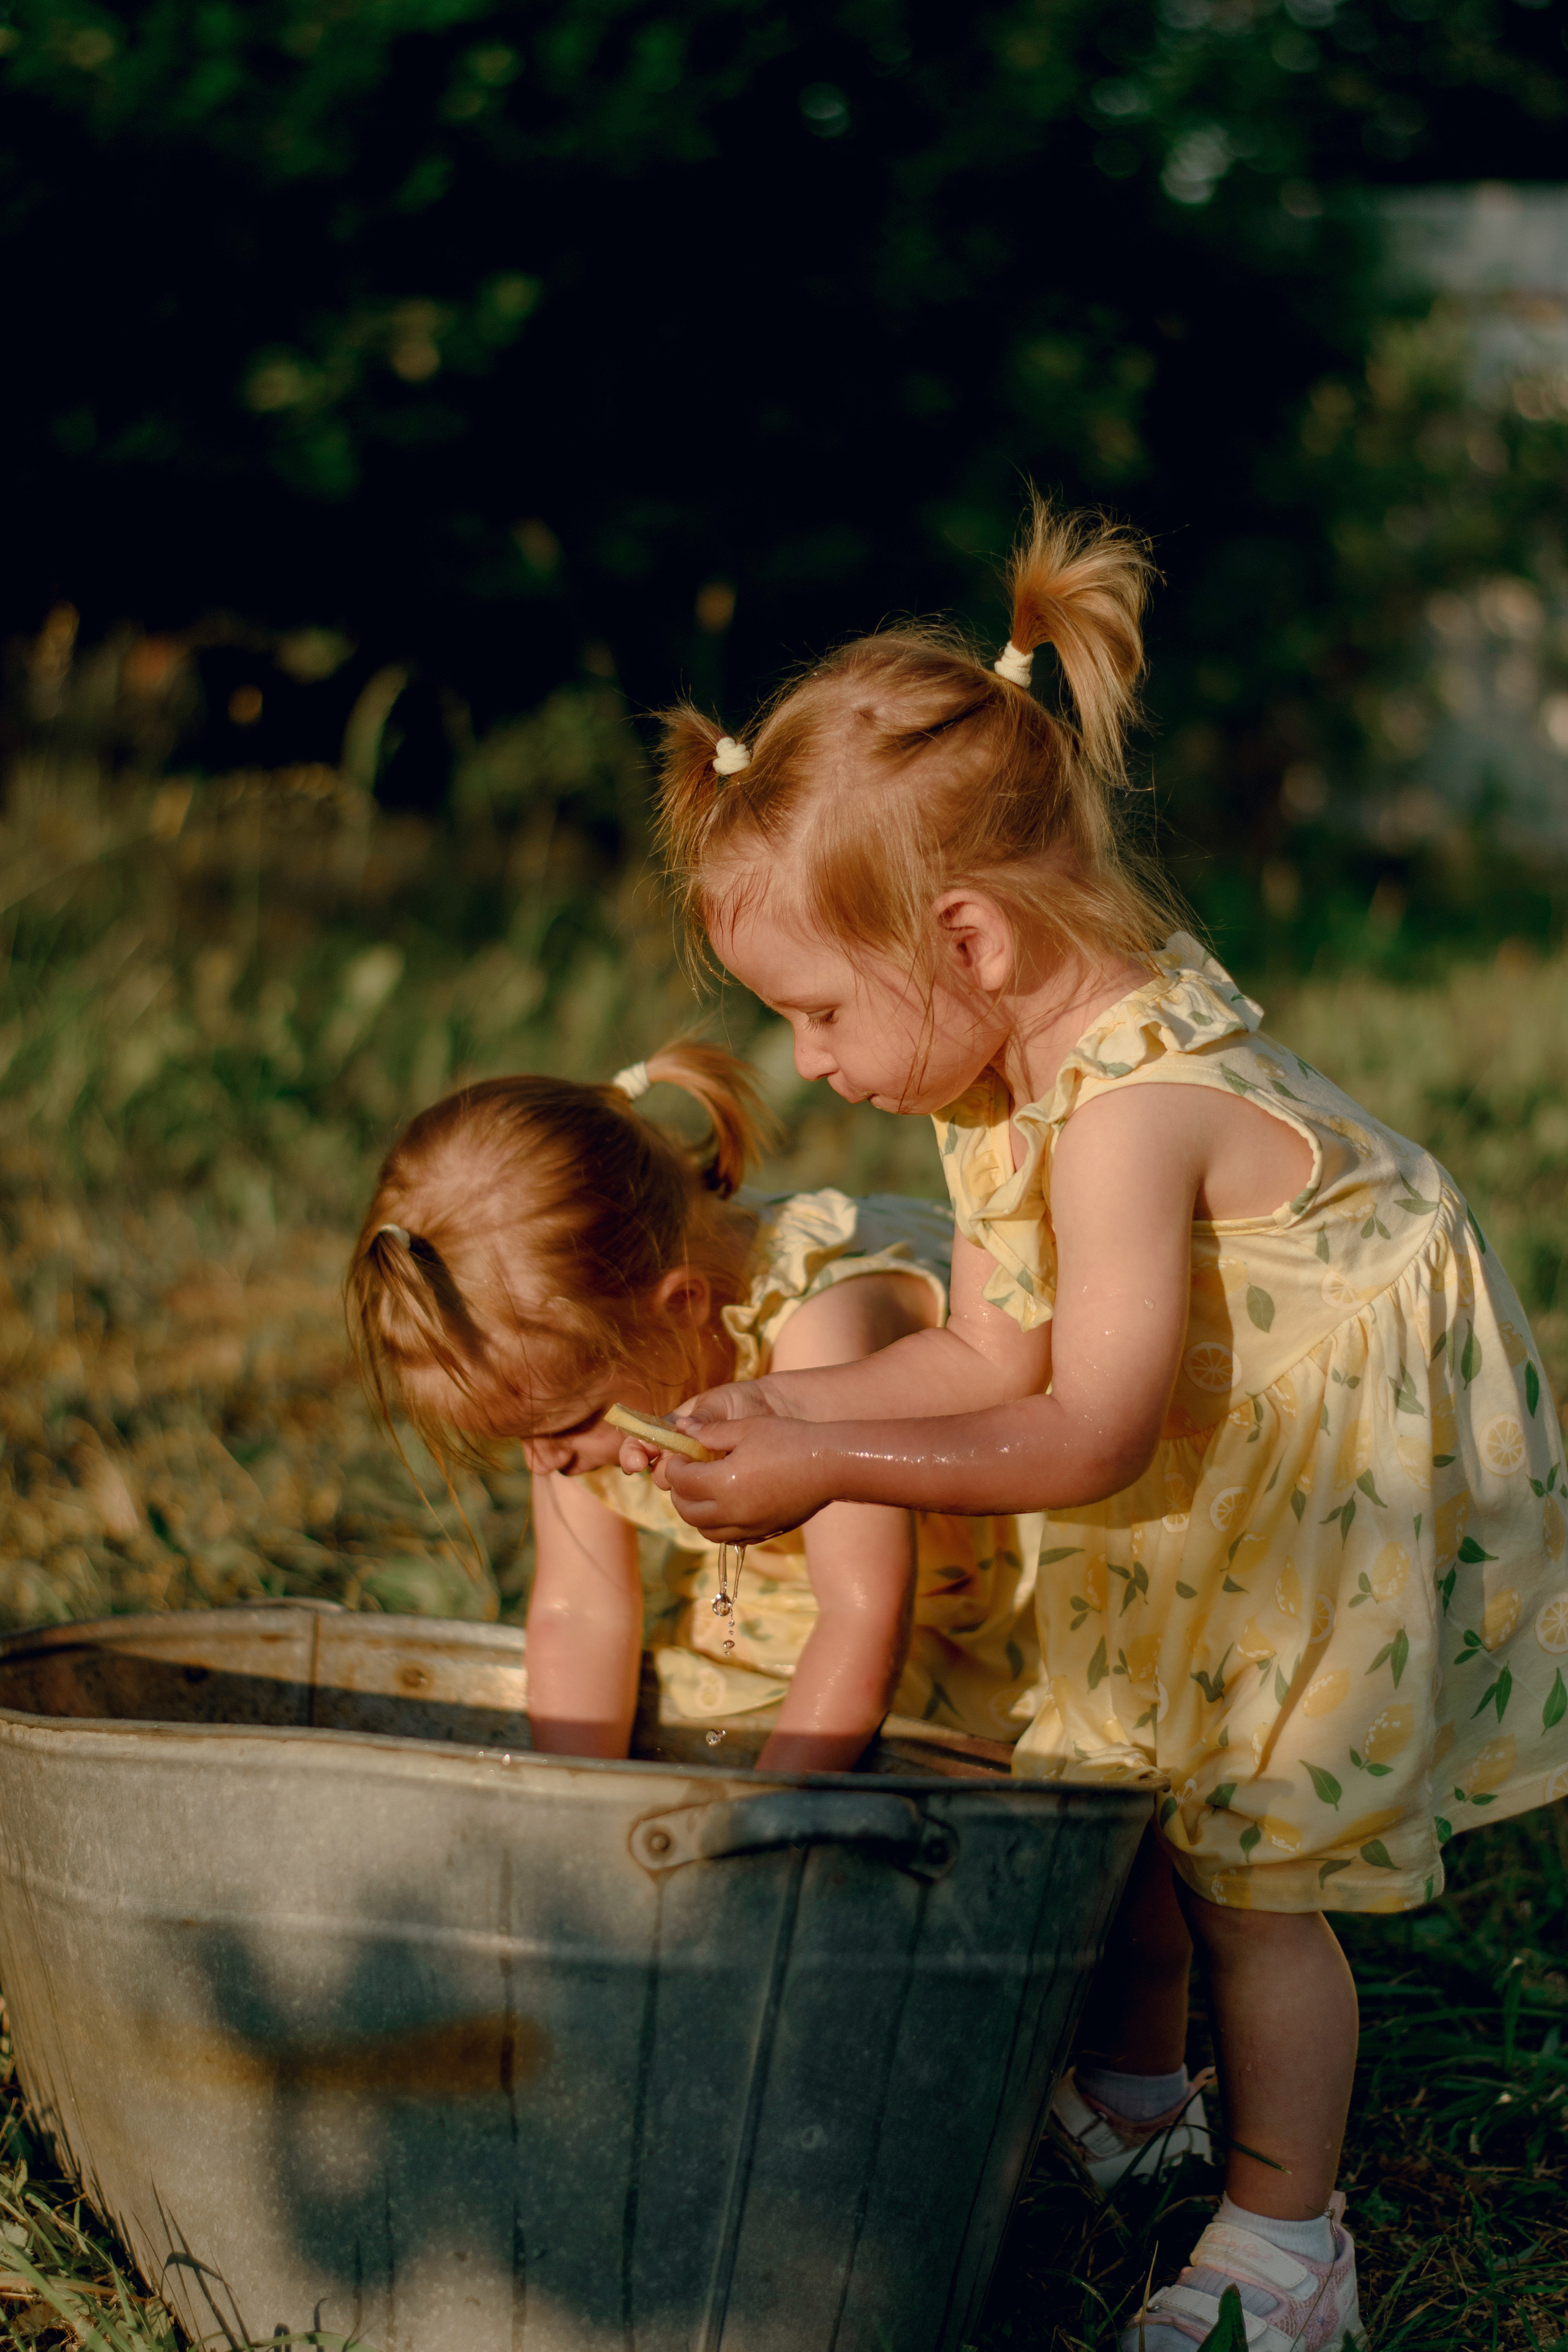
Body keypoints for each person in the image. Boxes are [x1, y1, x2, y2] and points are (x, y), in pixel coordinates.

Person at [628, 500, 1568, 2348]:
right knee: (1125, 1788)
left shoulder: (1136, 1114)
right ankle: (1139, 2104)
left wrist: (829, 1460)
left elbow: (1079, 1424)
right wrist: (788, 1396)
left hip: (1311, 1489)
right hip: (1193, 1471)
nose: (810, 1061)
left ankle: (1290, 2241)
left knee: (1252, 1878)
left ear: (963, 932)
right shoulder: (997, 1094)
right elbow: (987, 1356)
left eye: (814, 1011)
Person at [344, 1046, 1042, 1777]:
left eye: (560, 1426)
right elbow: (579, 1612)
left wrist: (771, 1814)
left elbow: (864, 1613)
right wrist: (570, 1808)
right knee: (701, 1694)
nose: (542, 1461)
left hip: (960, 1585)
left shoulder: (819, 1337)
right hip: (816, 1578)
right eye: (519, 1436)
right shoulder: (588, 1362)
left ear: (681, 1307)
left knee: (914, 1757)